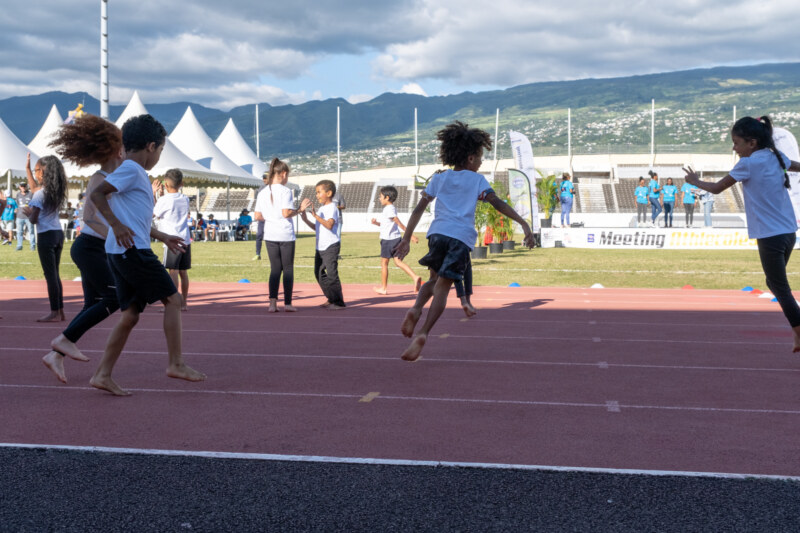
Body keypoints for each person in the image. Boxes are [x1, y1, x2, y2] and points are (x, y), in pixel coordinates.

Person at [394, 121, 535, 362]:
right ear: (470, 158)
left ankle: (416, 308)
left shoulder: (440, 178)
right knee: (443, 289)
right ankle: (424, 333)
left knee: (433, 279)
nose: (481, 161)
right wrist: (523, 224)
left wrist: (406, 238)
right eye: (480, 156)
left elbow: (419, 208)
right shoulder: (477, 180)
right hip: (460, 238)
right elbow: (497, 203)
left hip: (437, 234)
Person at [89, 114, 206, 396]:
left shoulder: (133, 173)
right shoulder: (132, 169)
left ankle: (102, 374)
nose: (159, 157)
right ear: (151, 146)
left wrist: (161, 235)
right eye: (161, 150)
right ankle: (176, 363)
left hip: (124, 251)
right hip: (133, 253)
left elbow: (134, 217)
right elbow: (96, 194)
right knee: (174, 300)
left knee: (130, 315)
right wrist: (115, 226)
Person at [684, 115, 800, 352]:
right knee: (774, 283)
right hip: (789, 233)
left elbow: (716, 188)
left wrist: (695, 181)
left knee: (781, 288)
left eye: (736, 143)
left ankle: (799, 332)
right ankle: (797, 334)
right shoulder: (776, 157)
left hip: (770, 235)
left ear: (752, 143)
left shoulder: (748, 164)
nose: (734, 148)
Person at [42, 114, 125, 382]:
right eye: (123, 145)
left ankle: (56, 355)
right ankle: (64, 340)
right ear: (114, 148)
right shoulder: (98, 178)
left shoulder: (113, 177)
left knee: (93, 303)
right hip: (90, 247)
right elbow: (88, 218)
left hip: (95, 247)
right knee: (114, 298)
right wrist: (116, 235)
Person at [254, 158, 311, 312]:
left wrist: (271, 217)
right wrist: (299, 209)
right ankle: (287, 303)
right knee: (287, 269)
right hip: (285, 234)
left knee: (274, 269)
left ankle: (272, 303)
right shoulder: (286, 191)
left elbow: (258, 216)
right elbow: (286, 213)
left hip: (270, 234)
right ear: (284, 174)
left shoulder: (263, 192)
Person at [25, 155, 68, 322]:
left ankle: (54, 312)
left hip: (46, 235)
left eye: (36, 170)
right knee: (55, 274)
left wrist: (29, 213)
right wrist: (28, 169)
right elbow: (34, 187)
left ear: (43, 172)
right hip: (58, 233)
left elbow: (34, 219)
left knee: (50, 276)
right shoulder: (54, 191)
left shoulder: (39, 195)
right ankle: (61, 311)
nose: (35, 174)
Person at [300, 180, 346, 310]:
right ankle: (331, 298)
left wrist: (315, 215)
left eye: (319, 192)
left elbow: (329, 225)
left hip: (331, 246)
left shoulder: (332, 207)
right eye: (316, 192)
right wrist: (306, 219)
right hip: (320, 247)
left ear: (329, 193)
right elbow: (318, 227)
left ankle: (339, 302)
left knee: (332, 274)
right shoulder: (321, 209)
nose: (317, 195)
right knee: (318, 273)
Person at [370, 185, 421, 295]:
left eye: (380, 196)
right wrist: (376, 223)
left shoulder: (389, 209)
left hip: (388, 240)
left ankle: (383, 288)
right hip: (395, 238)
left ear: (387, 197)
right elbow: (387, 225)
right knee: (398, 262)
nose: (379, 198)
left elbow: (398, 223)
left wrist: (410, 235)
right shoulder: (389, 209)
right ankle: (415, 277)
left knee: (384, 263)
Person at [154, 169, 192, 312]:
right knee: (183, 272)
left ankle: (173, 302)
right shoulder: (185, 198)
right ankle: (184, 303)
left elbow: (154, 213)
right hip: (185, 238)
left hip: (171, 239)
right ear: (181, 183)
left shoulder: (164, 200)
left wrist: (154, 194)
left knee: (173, 272)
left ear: (165, 184)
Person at [253, 173, 269, 260]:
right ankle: (257, 254)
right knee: (259, 235)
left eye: (265, 178)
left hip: (270, 217)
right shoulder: (261, 188)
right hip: (262, 217)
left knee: (270, 236)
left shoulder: (273, 188)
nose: (264, 180)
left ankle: (273, 254)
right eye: (263, 178)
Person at [15, 181, 35, 251]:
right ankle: (19, 246)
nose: (23, 187)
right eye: (22, 186)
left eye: (24, 186)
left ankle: (32, 246)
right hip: (19, 217)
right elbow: (17, 205)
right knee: (19, 232)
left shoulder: (30, 194)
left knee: (31, 232)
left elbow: (34, 204)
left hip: (28, 217)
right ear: (19, 187)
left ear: (27, 186)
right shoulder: (18, 195)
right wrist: (16, 210)